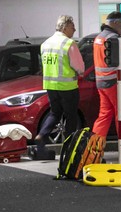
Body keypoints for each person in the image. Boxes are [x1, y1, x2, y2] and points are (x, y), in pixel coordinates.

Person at [32, 15, 85, 160]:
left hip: (50, 86)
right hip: (67, 87)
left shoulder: (45, 44)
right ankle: (68, 149)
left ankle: (42, 135)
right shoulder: (69, 43)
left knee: (55, 113)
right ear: (65, 26)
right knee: (71, 116)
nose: (74, 29)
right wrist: (81, 71)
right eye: (72, 26)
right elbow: (79, 67)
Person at [91, 11, 121, 163]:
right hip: (115, 84)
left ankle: (94, 153)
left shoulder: (99, 38)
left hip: (102, 83)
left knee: (104, 117)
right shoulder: (116, 40)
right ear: (116, 23)